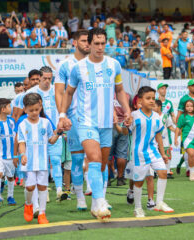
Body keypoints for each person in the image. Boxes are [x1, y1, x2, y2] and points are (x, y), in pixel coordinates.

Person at [58, 28, 131, 221]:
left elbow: (120, 90)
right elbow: (68, 93)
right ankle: (98, 203)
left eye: (102, 43)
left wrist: (127, 110)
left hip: (107, 123)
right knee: (94, 158)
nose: (100, 47)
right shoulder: (78, 68)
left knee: (103, 164)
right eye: (96, 43)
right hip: (86, 122)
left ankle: (99, 200)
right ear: (89, 44)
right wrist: (62, 115)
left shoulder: (114, 65)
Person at [54, 29, 90, 210]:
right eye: (84, 40)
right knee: (76, 160)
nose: (87, 44)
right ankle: (80, 198)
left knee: (99, 158)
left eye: (89, 41)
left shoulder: (97, 64)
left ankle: (100, 197)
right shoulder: (65, 65)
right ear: (75, 42)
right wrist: (63, 115)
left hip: (94, 118)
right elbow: (59, 92)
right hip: (74, 118)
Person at [130, 86, 174, 218]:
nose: (151, 101)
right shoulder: (134, 115)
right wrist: (121, 125)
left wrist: (163, 153)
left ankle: (159, 202)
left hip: (153, 151)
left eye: (153, 98)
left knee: (163, 172)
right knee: (139, 182)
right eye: (148, 98)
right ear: (140, 100)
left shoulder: (157, 117)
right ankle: (138, 208)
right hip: (138, 153)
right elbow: (125, 131)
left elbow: (159, 135)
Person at [18, 93, 61, 224]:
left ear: (40, 107)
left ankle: (42, 213)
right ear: (25, 109)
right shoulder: (22, 124)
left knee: (42, 187)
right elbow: (21, 143)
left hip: (43, 162)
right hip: (29, 163)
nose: (34, 112)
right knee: (30, 187)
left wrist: (58, 134)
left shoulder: (46, 123)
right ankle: (28, 204)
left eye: (37, 109)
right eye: (31, 110)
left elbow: (51, 140)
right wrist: (23, 155)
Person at [154, 100, 175, 178]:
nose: (153, 108)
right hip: (154, 140)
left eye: (154, 106)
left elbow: (170, 126)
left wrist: (176, 131)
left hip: (165, 140)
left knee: (167, 155)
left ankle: (167, 171)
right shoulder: (152, 116)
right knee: (155, 155)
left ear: (159, 107)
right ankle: (154, 172)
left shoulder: (165, 116)